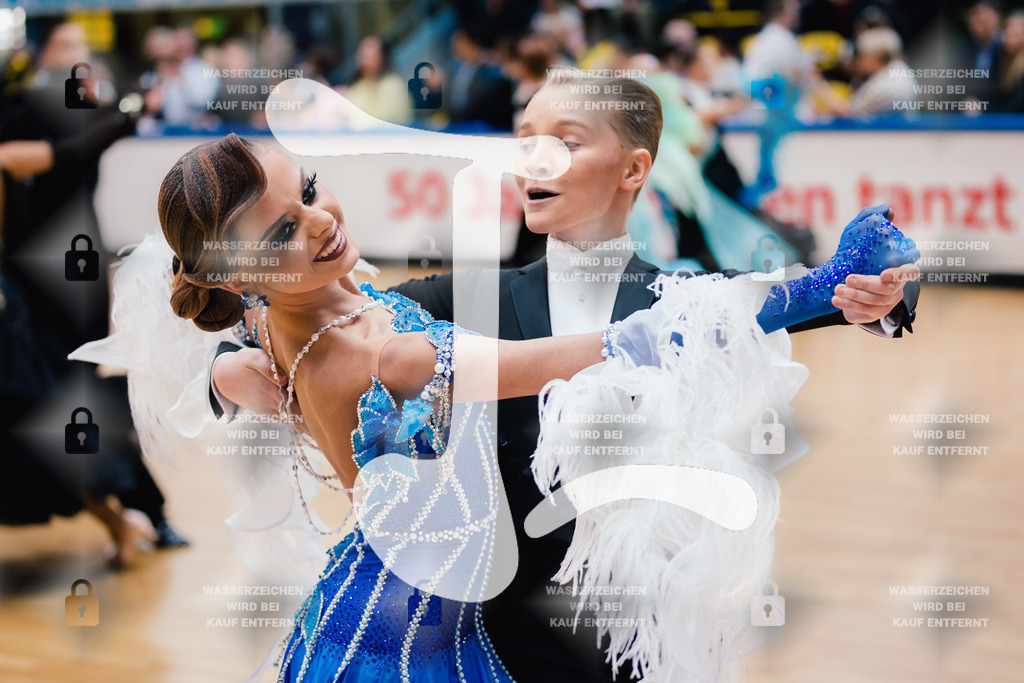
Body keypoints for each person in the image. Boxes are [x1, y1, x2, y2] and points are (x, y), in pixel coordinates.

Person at [206, 69, 920, 680]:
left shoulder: (690, 300)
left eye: (568, 143)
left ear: (633, 170)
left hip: (629, 636)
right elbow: (309, 321)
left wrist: (878, 294)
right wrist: (226, 370)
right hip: (494, 634)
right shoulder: (461, 300)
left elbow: (793, 300)